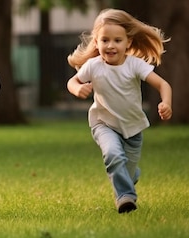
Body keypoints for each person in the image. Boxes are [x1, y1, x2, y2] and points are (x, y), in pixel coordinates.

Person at [66, 9, 173, 213]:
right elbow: (73, 81)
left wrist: (166, 103)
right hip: (103, 124)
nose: (111, 45)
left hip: (132, 130)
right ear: (96, 42)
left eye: (117, 40)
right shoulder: (93, 66)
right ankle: (125, 198)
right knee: (114, 155)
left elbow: (163, 85)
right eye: (105, 40)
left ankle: (129, 177)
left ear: (128, 43)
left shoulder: (135, 65)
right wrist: (78, 88)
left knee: (127, 173)